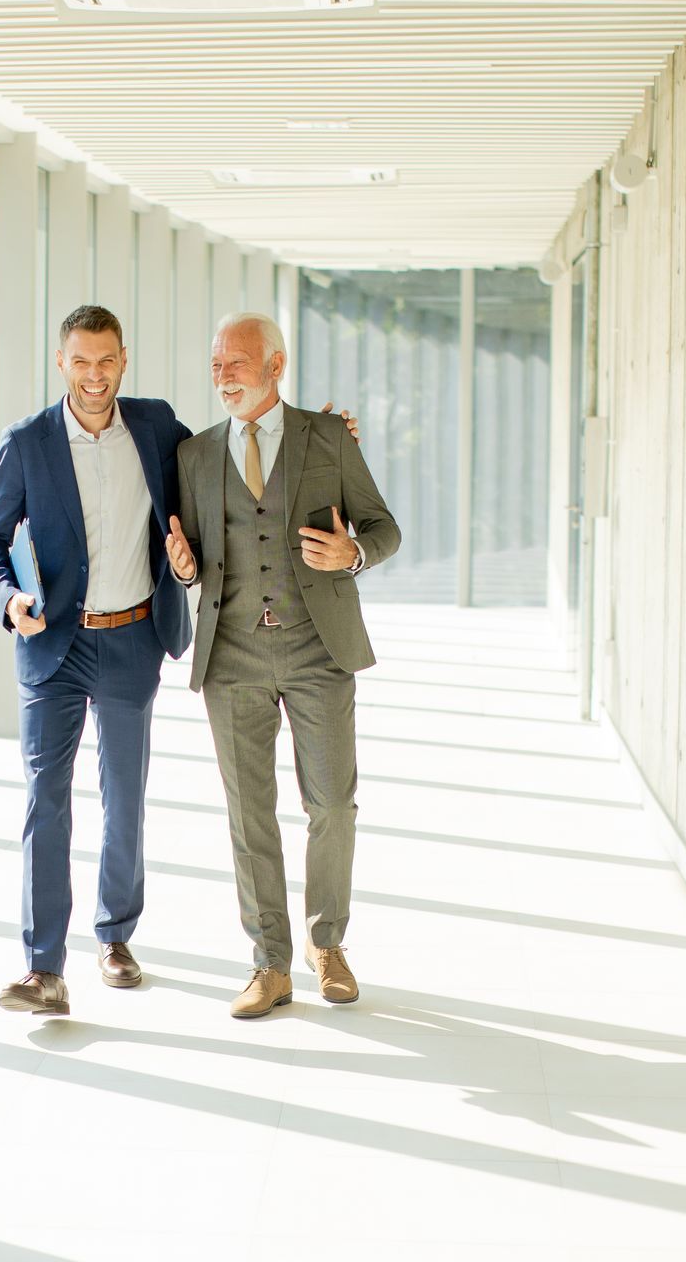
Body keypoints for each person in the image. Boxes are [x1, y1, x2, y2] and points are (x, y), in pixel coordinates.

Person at [0, 304, 354, 1016]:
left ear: (124, 360)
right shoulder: (26, 443)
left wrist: (318, 442)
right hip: (52, 645)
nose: (94, 376)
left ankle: (115, 937)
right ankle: (42, 968)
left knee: (124, 797)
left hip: (130, 640)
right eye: (81, 362)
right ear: (62, 363)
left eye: (106, 361)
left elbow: (235, 456)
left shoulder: (155, 429)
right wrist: (7, 600)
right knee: (44, 799)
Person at [164, 312, 400, 1018]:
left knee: (331, 802)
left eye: (236, 362)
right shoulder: (194, 456)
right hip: (231, 652)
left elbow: (383, 526)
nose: (223, 375)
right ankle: (269, 962)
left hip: (316, 647)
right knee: (249, 813)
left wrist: (352, 554)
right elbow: (194, 551)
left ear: (277, 365)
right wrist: (182, 571)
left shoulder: (327, 438)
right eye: (216, 364)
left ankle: (327, 944)